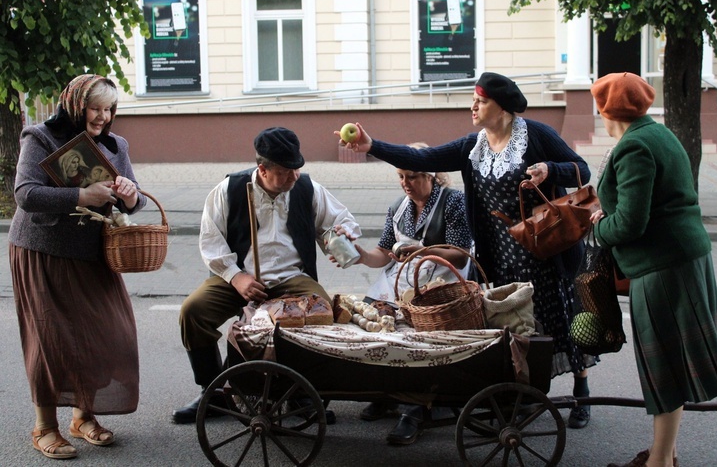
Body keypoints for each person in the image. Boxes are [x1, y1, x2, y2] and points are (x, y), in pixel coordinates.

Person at [338, 72, 598, 429]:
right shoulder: (472, 147)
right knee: (513, 323)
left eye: (481, 100)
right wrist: (372, 146)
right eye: (474, 99)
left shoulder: (535, 135)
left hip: (545, 247)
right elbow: (426, 158)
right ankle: (524, 393)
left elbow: (581, 169)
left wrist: (548, 168)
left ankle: (581, 391)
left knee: (558, 320)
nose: (473, 106)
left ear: (502, 108)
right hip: (502, 253)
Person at [589, 73, 717, 467]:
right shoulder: (660, 134)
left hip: (663, 268)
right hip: (684, 258)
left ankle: (659, 462)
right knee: (669, 367)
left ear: (605, 111)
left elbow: (631, 224)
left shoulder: (633, 146)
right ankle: (665, 455)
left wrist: (598, 227)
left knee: (663, 371)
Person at [172, 126, 362, 424]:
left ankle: (302, 393)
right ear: (262, 169)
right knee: (193, 311)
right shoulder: (229, 190)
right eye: (286, 171)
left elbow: (339, 220)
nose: (294, 176)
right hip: (239, 276)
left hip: (291, 278)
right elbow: (211, 241)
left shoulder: (305, 187)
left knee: (323, 311)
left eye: (297, 168)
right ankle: (212, 390)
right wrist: (236, 277)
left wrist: (342, 234)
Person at [9, 74, 145, 460]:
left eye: (109, 109)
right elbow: (25, 194)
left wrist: (131, 197)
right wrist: (80, 194)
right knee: (51, 340)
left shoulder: (117, 144)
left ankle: (83, 417)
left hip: (94, 254)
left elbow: (135, 200)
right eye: (95, 108)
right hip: (43, 251)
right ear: (75, 104)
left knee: (107, 335)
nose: (102, 117)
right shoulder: (40, 137)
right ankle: (45, 427)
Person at [352, 143, 473, 443]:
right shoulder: (398, 207)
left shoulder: (454, 201)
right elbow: (383, 253)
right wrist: (361, 256)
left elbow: (460, 255)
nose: (406, 183)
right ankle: (387, 392)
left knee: (418, 338)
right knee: (377, 324)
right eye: (401, 176)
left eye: (413, 176)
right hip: (402, 281)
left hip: (442, 282)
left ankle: (415, 409)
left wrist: (422, 249)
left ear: (431, 175)